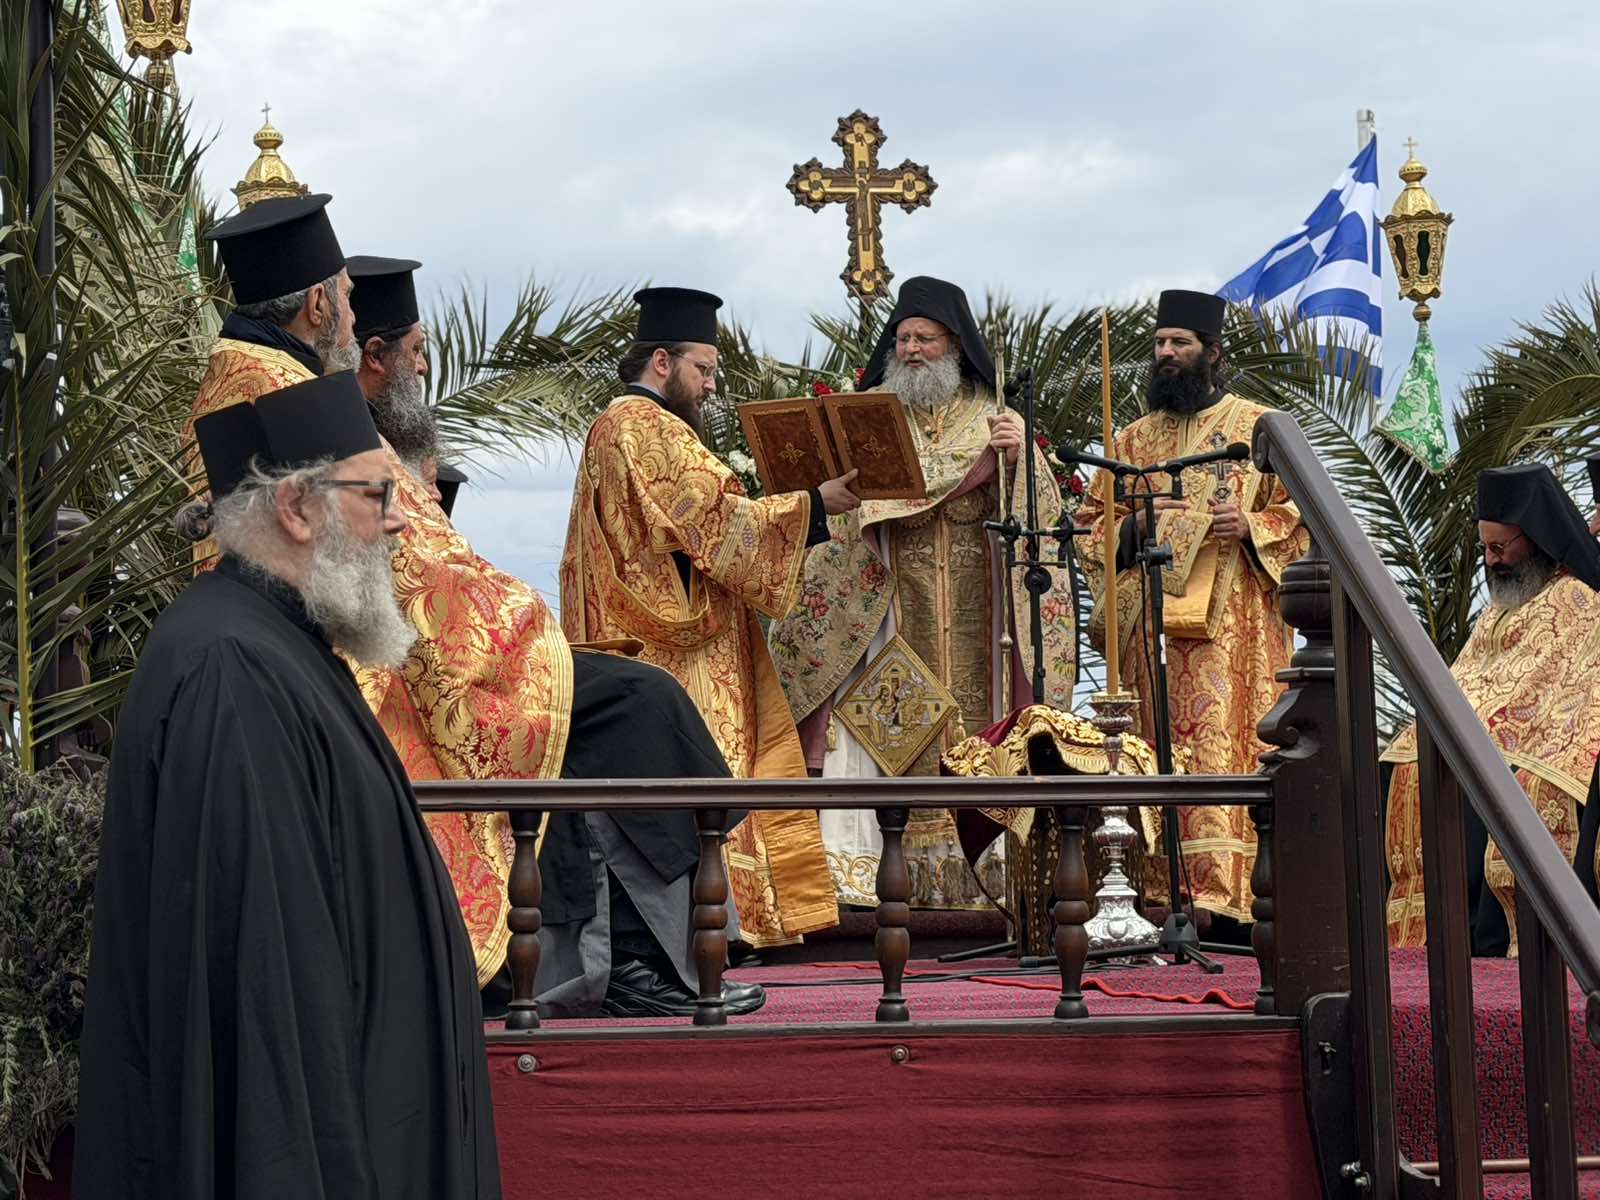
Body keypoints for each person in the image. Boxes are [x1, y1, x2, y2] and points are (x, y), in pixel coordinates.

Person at [190, 233, 762, 1019]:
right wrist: (521, 620)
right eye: (348, 299)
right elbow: (399, 555)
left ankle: (645, 957)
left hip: (360, 647)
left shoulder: (247, 373)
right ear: (318, 303)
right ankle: (633, 962)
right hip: (379, 666)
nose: (352, 318)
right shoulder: (286, 387)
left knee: (610, 707)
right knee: (628, 706)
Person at [75, 373, 500, 1198]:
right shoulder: (232, 670)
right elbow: (267, 1008)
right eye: (377, 493)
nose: (402, 519)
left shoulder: (279, 644)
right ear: (297, 508)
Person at [768, 275, 1076, 909]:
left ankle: (984, 875)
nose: (911, 350)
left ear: (954, 345)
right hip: (888, 608)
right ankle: (880, 873)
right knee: (881, 728)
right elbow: (842, 513)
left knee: (979, 723)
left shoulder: (994, 417)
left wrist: (1017, 461)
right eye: (903, 338)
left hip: (980, 611)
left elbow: (1041, 525)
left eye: (924, 339)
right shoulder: (870, 417)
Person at [561, 287, 855, 947]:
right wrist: (814, 504)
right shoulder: (647, 426)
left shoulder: (613, 425)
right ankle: (721, 922)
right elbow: (713, 522)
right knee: (710, 777)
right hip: (676, 648)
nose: (712, 384)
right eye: (704, 368)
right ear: (662, 361)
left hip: (639, 632)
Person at [1075, 289, 1309, 933]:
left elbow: (1304, 517)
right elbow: (1089, 527)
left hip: (1235, 635)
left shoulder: (1259, 427)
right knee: (1154, 747)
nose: (1167, 352)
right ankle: (1158, 895)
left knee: (1228, 749)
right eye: (1160, 343)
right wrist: (1136, 523)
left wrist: (1253, 525)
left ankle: (1237, 903)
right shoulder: (1131, 439)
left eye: (1179, 342)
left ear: (1213, 352)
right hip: (1149, 630)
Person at [1384, 463, 1600, 953]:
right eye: (1485, 548)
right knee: (1402, 765)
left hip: (1538, 746)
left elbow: (1563, 688)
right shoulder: (1500, 606)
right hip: (1480, 738)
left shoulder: (1575, 597)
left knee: (1500, 783)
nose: (1491, 561)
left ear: (1536, 537)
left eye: (1500, 548)